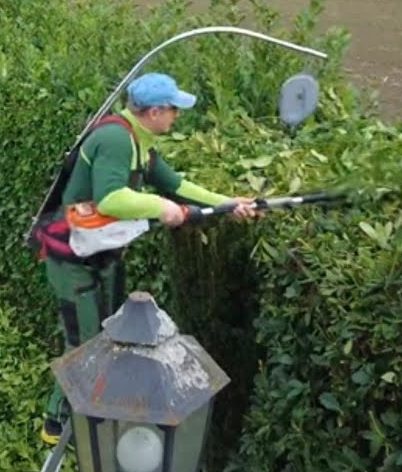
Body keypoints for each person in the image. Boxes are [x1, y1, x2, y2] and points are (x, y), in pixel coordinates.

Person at [35, 72, 260, 445]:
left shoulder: (140, 143)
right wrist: (162, 207)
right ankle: (56, 422)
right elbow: (110, 199)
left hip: (100, 253)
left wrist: (226, 203)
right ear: (154, 111)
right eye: (173, 110)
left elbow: (176, 185)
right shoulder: (115, 139)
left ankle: (90, 407)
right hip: (72, 259)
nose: (176, 116)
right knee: (86, 342)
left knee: (106, 334)